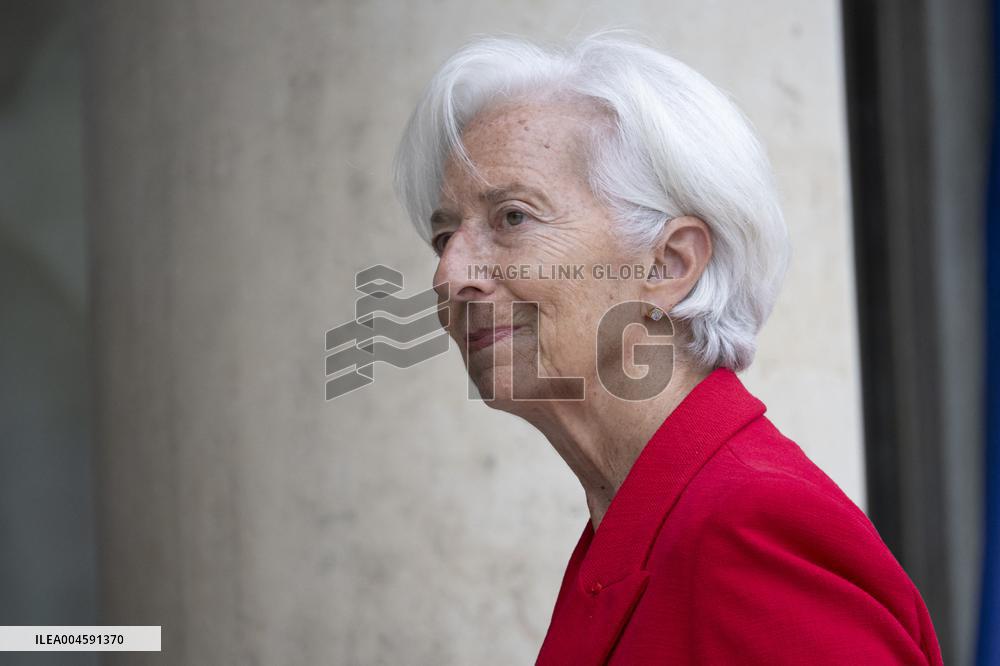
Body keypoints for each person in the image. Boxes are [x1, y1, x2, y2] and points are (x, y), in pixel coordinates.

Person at [392, 29, 944, 664]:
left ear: (669, 263)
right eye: (443, 237)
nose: (450, 273)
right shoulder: (635, 524)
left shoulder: (751, 531)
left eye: (512, 217)